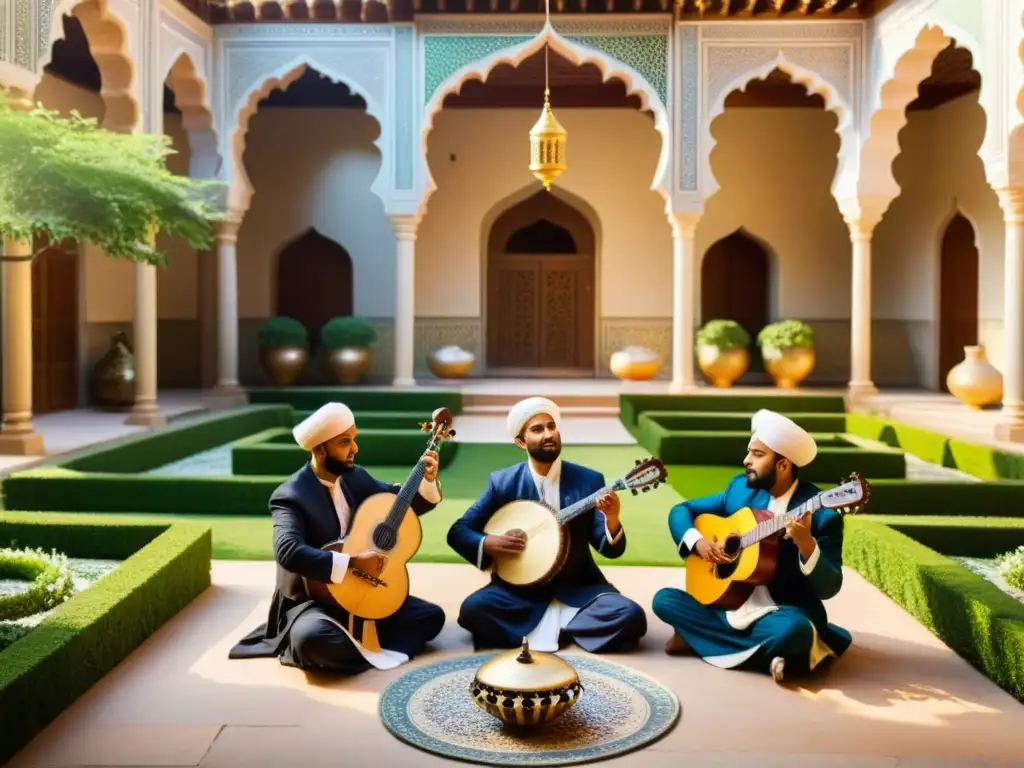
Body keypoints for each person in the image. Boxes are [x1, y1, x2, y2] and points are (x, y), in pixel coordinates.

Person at [228, 402, 446, 674]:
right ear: (320, 449)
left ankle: (357, 645)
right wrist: (352, 562)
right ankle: (368, 645)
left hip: (362, 591)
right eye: (345, 442)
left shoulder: (355, 477)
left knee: (431, 618)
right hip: (314, 602)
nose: (354, 448)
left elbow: (398, 505)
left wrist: (426, 481)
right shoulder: (290, 496)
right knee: (311, 639)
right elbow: (288, 551)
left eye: (353, 439)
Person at [651, 409, 851, 683]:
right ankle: (769, 656)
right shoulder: (740, 490)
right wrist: (698, 542)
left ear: (782, 465)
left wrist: (806, 543)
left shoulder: (823, 516)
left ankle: (699, 639)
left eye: (757, 455)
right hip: (728, 603)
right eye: (749, 452)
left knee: (795, 631)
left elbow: (830, 587)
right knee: (663, 600)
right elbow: (682, 509)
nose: (746, 460)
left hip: (780, 611)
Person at [447, 396, 647, 653]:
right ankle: (569, 627)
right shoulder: (503, 482)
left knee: (631, 616)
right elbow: (458, 531)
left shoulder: (588, 480)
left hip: (579, 588)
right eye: (537, 429)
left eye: (551, 426)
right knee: (472, 611)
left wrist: (612, 518)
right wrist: (489, 543)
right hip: (519, 593)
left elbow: (610, 549)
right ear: (521, 441)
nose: (548, 434)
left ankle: (551, 626)